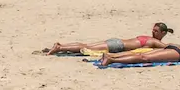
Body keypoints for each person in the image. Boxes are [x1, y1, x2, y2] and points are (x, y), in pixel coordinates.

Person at [99, 25, 180, 67]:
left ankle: (111, 59)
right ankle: (111, 56)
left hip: (179, 55)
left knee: (144, 57)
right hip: (176, 49)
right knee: (141, 54)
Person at [43, 22, 173, 55]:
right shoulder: (155, 41)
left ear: (163, 33)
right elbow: (169, 48)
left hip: (116, 41)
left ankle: (61, 46)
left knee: (87, 45)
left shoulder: (149, 39)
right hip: (117, 46)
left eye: (155, 31)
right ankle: (59, 47)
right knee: (87, 47)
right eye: (153, 30)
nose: (153, 32)